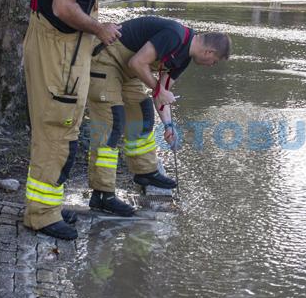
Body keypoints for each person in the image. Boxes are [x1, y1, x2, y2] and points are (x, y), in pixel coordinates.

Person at [23, 0, 120, 240]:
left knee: (49, 131)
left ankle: (44, 206)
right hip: (60, 58)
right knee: (59, 131)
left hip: (45, 48)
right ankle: (42, 216)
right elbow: (63, 6)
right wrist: (99, 28)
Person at [86, 16, 230, 211]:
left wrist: (169, 126)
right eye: (214, 61)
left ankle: (145, 172)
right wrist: (158, 90)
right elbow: (138, 63)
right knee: (112, 123)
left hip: (128, 70)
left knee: (143, 112)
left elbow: (162, 94)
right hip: (106, 60)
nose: (211, 65)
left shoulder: (183, 59)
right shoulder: (175, 36)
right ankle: (102, 194)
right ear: (208, 52)